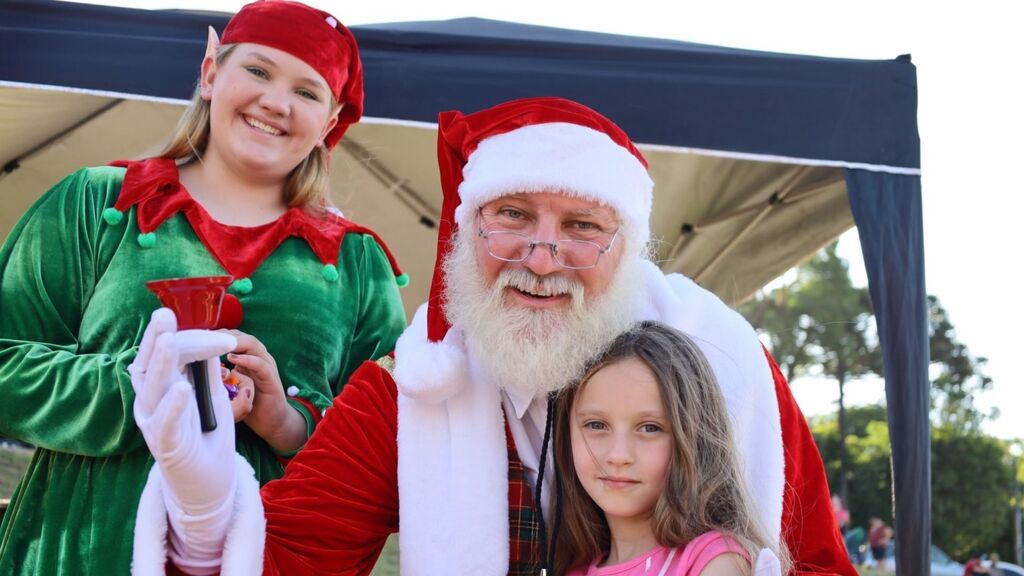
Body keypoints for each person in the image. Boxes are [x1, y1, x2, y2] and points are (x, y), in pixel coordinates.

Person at [131, 96, 857, 575]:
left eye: (582, 227)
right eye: (511, 215)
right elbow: (285, 561)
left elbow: (819, 563)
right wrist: (202, 504)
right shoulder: (408, 387)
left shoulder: (727, 364)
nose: (541, 259)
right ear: (462, 231)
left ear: (628, 251)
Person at [0, 1, 406, 573]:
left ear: (330, 120)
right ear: (212, 71)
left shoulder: (360, 263)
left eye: (307, 92)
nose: (276, 102)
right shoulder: (94, 204)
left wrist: (286, 422)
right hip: (79, 550)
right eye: (259, 71)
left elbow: (386, 445)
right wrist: (136, 386)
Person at [552, 321, 786, 576]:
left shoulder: (714, 561)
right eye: (596, 425)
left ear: (694, 438)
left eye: (650, 428)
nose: (619, 456)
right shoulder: (572, 570)